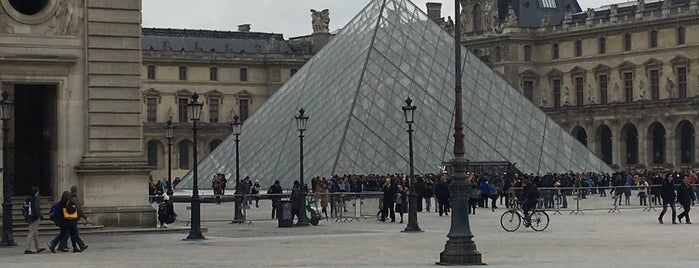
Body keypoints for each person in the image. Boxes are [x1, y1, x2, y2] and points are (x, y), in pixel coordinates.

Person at [24, 187, 45, 254]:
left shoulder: (29, 199)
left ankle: (37, 248)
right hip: (34, 218)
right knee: (31, 233)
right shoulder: (34, 200)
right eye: (37, 191)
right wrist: (40, 216)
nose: (38, 193)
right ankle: (27, 249)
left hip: (30, 217)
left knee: (35, 233)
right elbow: (36, 209)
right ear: (36, 192)